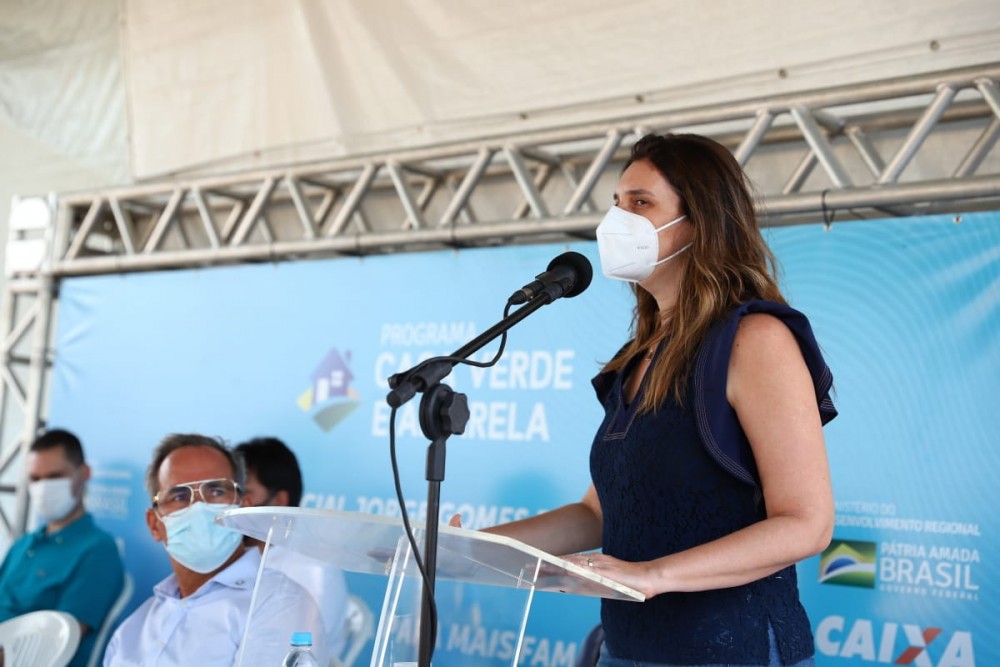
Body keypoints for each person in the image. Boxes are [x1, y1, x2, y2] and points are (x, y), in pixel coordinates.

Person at [458, 133, 837, 666]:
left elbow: (807, 522)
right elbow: (596, 513)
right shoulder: (636, 355)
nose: (618, 221)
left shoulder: (756, 340)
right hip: (627, 648)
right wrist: (471, 548)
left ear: (700, 222)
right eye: (616, 203)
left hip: (734, 651)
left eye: (641, 203)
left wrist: (652, 576)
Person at [104, 433, 326, 666]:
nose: (199, 507)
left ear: (244, 509)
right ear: (154, 524)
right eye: (179, 496)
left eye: (216, 492)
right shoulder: (132, 632)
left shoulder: (279, 602)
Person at [0, 428, 125, 667]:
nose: (43, 487)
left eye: (55, 476)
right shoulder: (23, 544)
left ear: (84, 473)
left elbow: (54, 644)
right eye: (35, 479)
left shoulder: (98, 551)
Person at [234, 437, 351, 657]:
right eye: (231, 492)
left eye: (245, 493)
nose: (236, 503)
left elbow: (303, 654)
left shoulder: (313, 568)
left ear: (279, 501)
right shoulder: (233, 559)